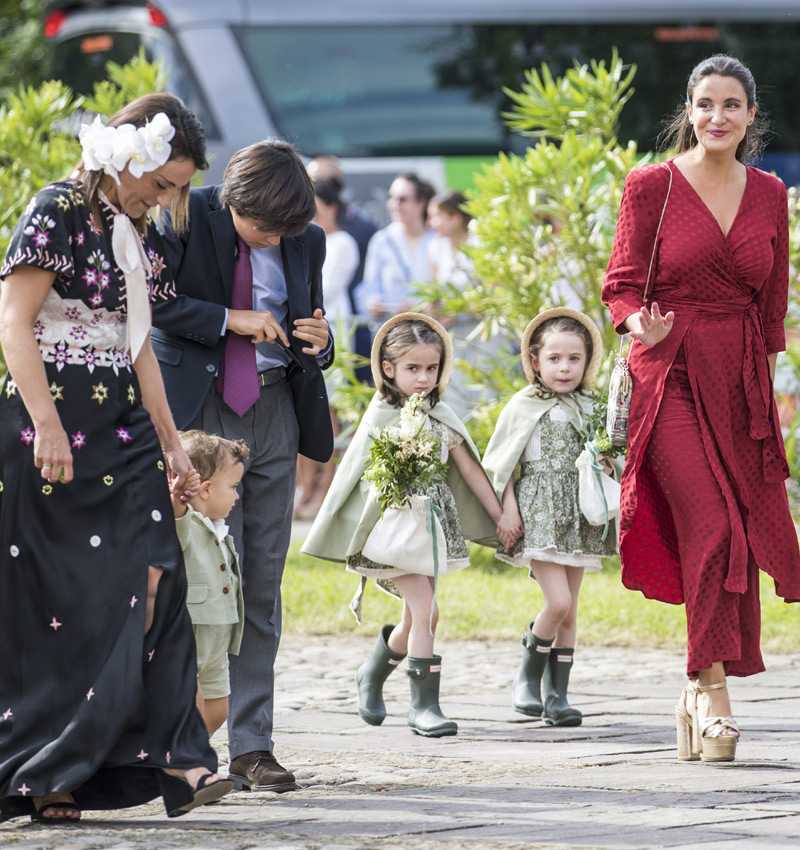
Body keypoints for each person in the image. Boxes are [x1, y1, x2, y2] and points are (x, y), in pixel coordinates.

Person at [0, 93, 233, 824]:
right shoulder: (55, 209)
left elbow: (139, 352)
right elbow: (13, 321)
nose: (163, 199)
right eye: (161, 182)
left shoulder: (134, 236)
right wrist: (44, 423)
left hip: (125, 431)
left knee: (159, 572)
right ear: (127, 154)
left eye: (173, 189)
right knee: (64, 603)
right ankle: (49, 772)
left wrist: (174, 446)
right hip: (53, 430)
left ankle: (181, 757)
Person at [602, 55, 800, 763]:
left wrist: (768, 403)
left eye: (733, 105)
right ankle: (712, 697)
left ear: (751, 116)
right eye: (706, 104)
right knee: (712, 526)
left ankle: (695, 689)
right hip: (670, 371)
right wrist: (636, 329)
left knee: (740, 535)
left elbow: (771, 308)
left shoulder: (772, 192)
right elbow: (621, 287)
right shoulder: (650, 185)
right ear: (689, 110)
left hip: (741, 380)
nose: (719, 116)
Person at [151, 139, 334, 793]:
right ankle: (180, 743)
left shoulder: (304, 239)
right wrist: (232, 320)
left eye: (282, 232)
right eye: (260, 229)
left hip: (276, 412)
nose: (271, 242)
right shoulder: (182, 215)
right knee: (190, 581)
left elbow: (310, 320)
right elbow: (157, 305)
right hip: (197, 417)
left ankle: (253, 746)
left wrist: (322, 338)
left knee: (261, 582)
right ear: (231, 199)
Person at [302, 314, 519, 737]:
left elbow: (471, 471)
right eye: (412, 368)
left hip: (430, 531)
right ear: (388, 369)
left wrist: (500, 517)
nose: (423, 378)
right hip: (391, 531)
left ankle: (372, 671)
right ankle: (424, 706)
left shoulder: (442, 415)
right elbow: (355, 476)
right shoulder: (381, 415)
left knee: (415, 618)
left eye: (431, 368)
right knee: (427, 610)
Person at [482, 309, 615, 727]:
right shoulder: (523, 406)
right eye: (555, 358)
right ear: (535, 360)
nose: (564, 367)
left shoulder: (590, 407)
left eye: (574, 358)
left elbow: (606, 454)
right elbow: (501, 465)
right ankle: (527, 676)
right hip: (538, 510)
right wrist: (507, 510)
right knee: (556, 601)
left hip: (577, 512)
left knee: (570, 610)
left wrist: (607, 464)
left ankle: (557, 696)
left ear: (587, 361)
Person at [170, 431, 248, 735]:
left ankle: (186, 755)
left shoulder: (218, 527)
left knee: (218, 709)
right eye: (233, 487)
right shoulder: (186, 522)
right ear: (204, 489)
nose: (237, 495)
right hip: (192, 630)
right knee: (189, 701)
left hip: (218, 632)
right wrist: (177, 496)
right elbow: (175, 517)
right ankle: (183, 763)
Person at [294, 179, 360, 519]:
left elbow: (328, 288)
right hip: (307, 334)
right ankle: (305, 488)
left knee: (330, 417)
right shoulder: (301, 236)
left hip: (334, 337)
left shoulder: (343, 242)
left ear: (332, 207)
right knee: (305, 415)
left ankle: (325, 491)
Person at [354, 173, 436, 320]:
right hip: (394, 332)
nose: (394, 204)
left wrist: (420, 307)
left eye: (402, 199)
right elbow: (369, 288)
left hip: (431, 330)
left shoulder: (436, 239)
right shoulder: (382, 240)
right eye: (391, 198)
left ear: (421, 204)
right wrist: (373, 304)